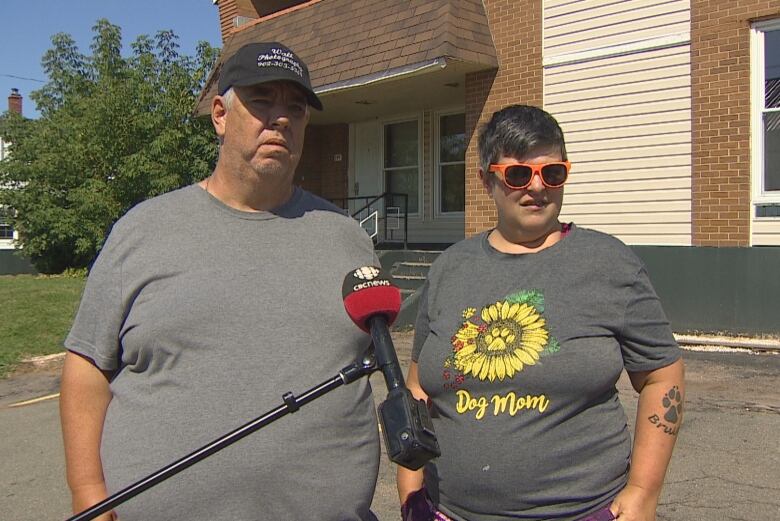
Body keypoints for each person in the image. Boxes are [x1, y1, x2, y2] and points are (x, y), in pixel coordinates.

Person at [60, 42, 381, 521]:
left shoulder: (348, 239)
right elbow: (86, 366)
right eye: (261, 101)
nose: (281, 119)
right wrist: (89, 494)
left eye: (296, 107)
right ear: (220, 115)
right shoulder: (144, 230)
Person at [397, 105, 685, 521]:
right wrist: (411, 492)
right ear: (486, 180)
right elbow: (419, 388)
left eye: (552, 173)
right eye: (518, 174)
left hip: (581, 512)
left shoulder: (608, 263)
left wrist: (643, 492)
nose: (537, 188)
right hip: (448, 512)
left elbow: (662, 375)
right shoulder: (450, 269)